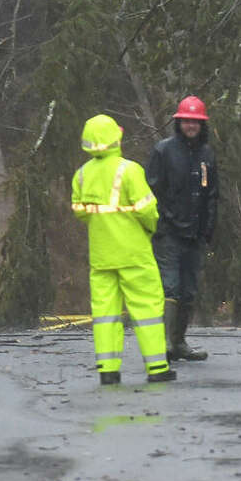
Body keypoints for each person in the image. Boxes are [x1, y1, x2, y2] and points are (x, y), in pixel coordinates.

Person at [71, 113, 175, 386]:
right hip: (134, 254)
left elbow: (80, 213)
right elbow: (148, 211)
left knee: (105, 314)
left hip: (101, 257)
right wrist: (150, 229)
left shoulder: (81, 175)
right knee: (147, 310)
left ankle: (108, 369)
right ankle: (157, 368)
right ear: (116, 137)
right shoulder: (129, 170)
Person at [146, 95, 219, 363]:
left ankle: (179, 343)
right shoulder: (163, 151)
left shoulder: (207, 154)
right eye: (187, 121)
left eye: (195, 122)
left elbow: (212, 194)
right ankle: (164, 344)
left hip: (196, 235)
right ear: (179, 122)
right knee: (170, 289)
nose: (191, 125)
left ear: (202, 125)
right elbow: (151, 190)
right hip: (169, 234)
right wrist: (164, 222)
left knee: (189, 290)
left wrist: (208, 228)